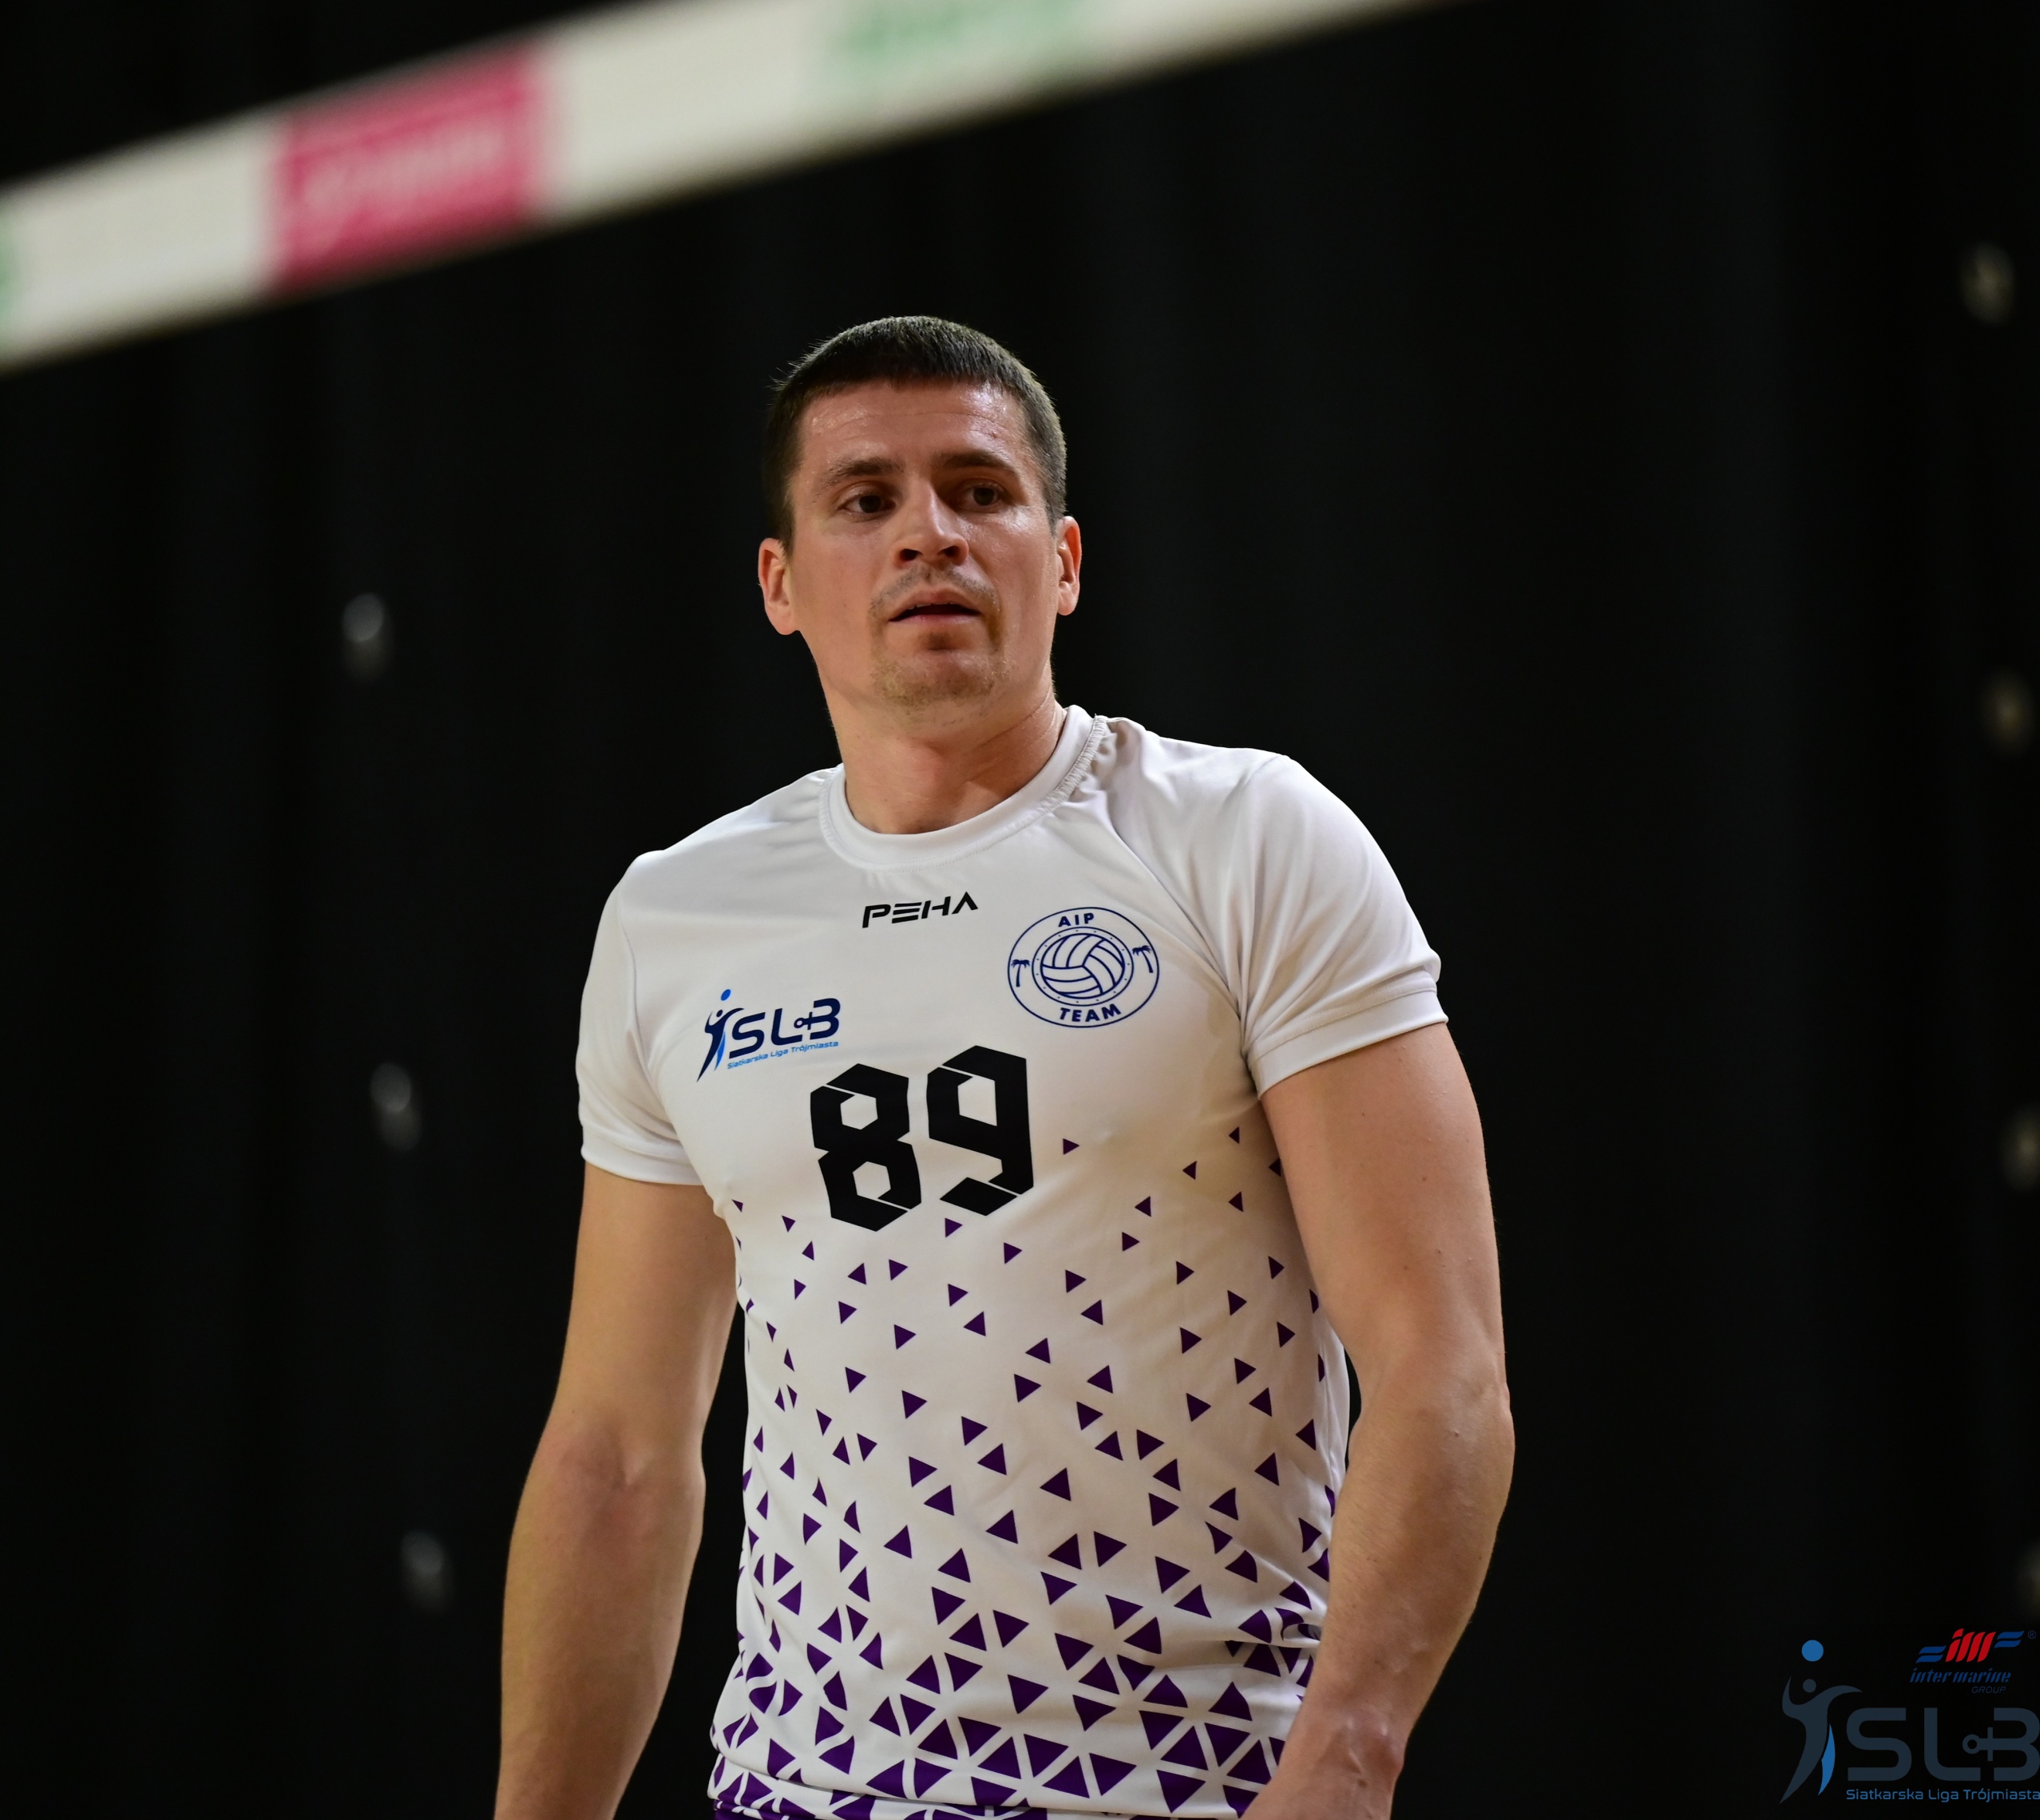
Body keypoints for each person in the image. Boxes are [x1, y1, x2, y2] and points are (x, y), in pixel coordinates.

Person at [496, 316, 1512, 1820]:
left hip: (1196, 1779)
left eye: (981, 492)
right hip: (806, 1787)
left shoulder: (1244, 839)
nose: (931, 533)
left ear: (1066, 558)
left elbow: (1444, 1364)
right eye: (866, 500)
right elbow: (618, 1457)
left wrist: (1347, 1764)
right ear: (779, 584)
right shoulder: (674, 920)